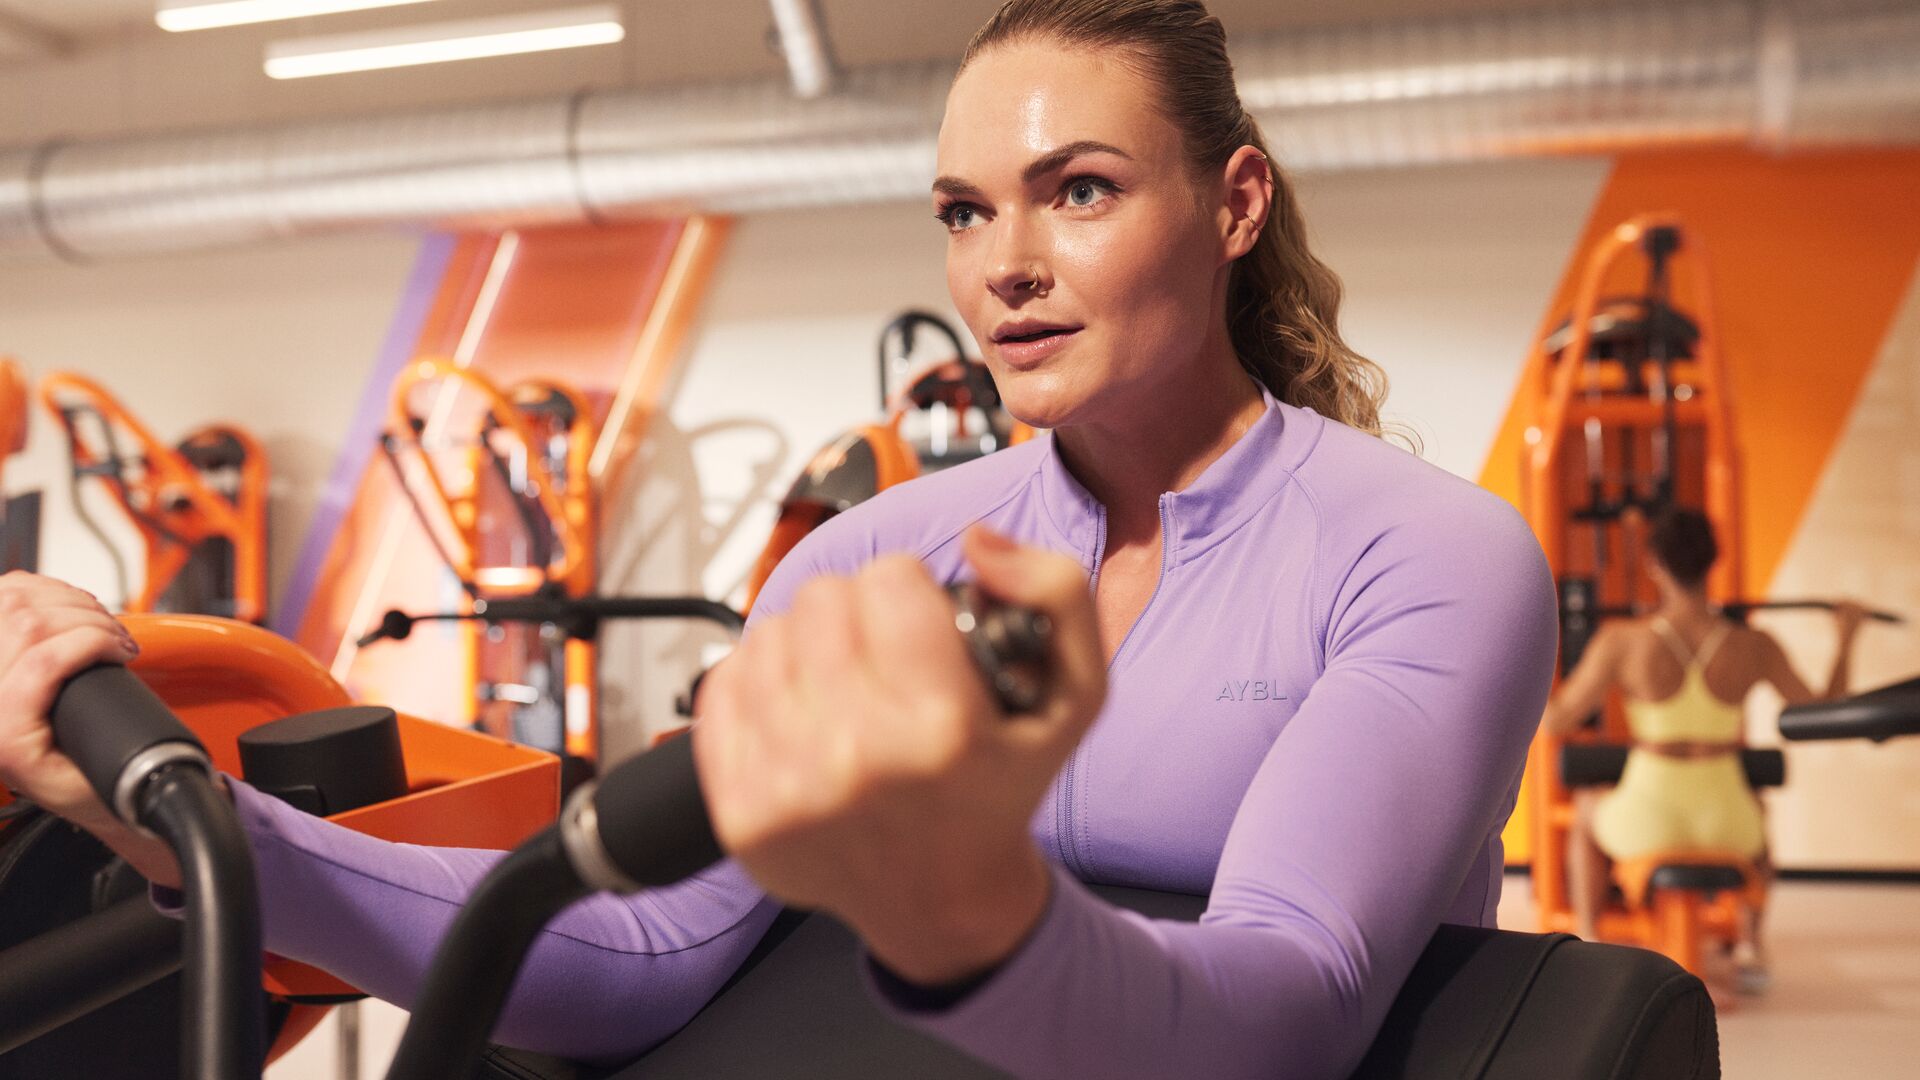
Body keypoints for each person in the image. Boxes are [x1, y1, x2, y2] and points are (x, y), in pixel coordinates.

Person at [0, 2, 1557, 1076]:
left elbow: (1291, 1010)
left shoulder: (1424, 557)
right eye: (962, 211)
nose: (1005, 264)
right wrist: (189, 824)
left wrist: (964, 910)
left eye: (1077, 192)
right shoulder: (869, 558)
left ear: (1232, 206)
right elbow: (636, 954)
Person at [1540, 506, 1864, 991]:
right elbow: (1822, 713)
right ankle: (1753, 947)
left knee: (1586, 809)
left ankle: (1588, 939)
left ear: (1654, 564)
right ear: (1715, 561)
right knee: (1757, 810)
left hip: (1648, 818)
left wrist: (1536, 650)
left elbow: (1555, 721)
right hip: (1728, 822)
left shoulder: (1622, 641)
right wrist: (1845, 637)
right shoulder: (1754, 645)